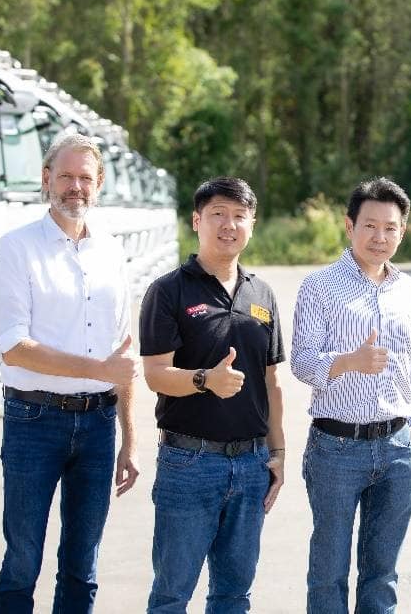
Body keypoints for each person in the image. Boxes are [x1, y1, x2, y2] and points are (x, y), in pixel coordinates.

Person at [0, 133, 140, 612]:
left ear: (99, 184)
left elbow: (123, 354)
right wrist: (99, 368)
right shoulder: (17, 247)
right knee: (22, 561)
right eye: (66, 176)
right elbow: (14, 347)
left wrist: (130, 439)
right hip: (33, 423)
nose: (76, 187)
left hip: (98, 425)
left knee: (82, 565)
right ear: (47, 179)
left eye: (85, 178)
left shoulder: (112, 251)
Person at [291, 177, 411, 614]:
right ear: (349, 225)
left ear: (403, 231)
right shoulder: (319, 286)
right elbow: (301, 361)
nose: (380, 236)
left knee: (383, 573)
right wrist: (348, 361)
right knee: (329, 570)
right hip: (335, 448)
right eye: (370, 225)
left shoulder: (409, 290)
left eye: (390, 228)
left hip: (397, 448)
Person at [138, 177, 286, 613]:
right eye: (218, 214)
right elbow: (155, 374)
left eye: (240, 216)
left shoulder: (262, 293)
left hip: (252, 463)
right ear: (196, 221)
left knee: (233, 594)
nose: (229, 225)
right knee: (172, 594)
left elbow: (271, 382)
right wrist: (206, 380)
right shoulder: (169, 290)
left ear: (252, 225)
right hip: (189, 463)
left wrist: (277, 451)